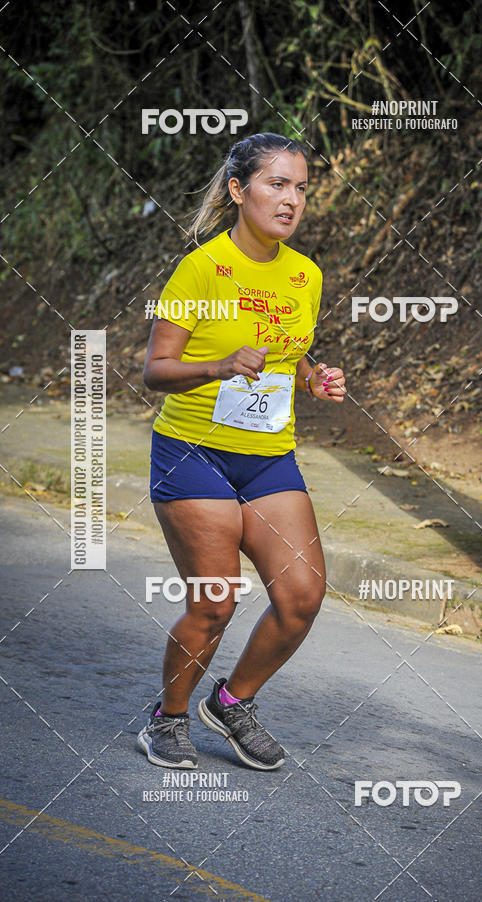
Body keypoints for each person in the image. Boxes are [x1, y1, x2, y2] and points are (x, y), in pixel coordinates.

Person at [137, 132, 346, 771]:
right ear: (238, 190)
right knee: (215, 601)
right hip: (192, 451)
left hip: (266, 456)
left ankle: (231, 701)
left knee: (303, 595)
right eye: (276, 184)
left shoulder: (305, 274)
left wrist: (312, 376)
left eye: (301, 188)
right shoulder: (201, 269)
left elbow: (286, 348)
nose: (291, 200)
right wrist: (221, 364)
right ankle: (168, 718)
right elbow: (155, 369)